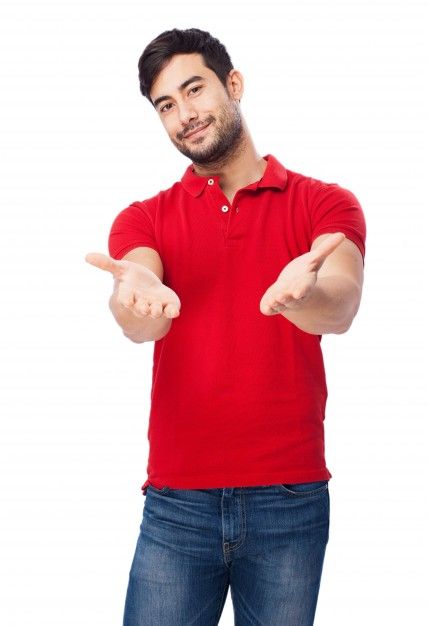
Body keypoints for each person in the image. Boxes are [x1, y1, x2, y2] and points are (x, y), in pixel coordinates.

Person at [85, 27, 366, 626]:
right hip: (177, 504)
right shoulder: (144, 218)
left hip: (289, 500)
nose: (185, 114)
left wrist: (304, 293)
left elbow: (341, 305)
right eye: (166, 105)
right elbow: (138, 310)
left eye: (194, 90)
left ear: (232, 85)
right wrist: (137, 300)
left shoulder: (324, 204)